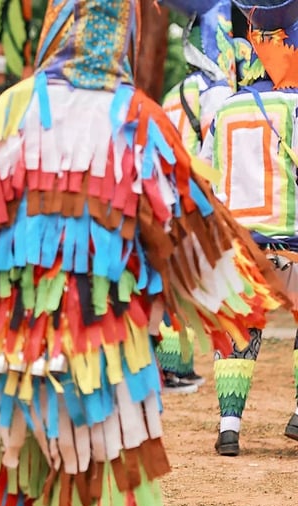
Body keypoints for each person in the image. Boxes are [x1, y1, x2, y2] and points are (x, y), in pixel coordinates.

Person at [0, 0, 288, 506]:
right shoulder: (140, 121)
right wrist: (239, 299)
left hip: (11, 370)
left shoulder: (3, 116)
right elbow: (190, 241)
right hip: (105, 370)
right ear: (123, 35)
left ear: (53, 31)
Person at [200, 0, 298, 456]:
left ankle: (229, 427)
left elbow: (204, 175)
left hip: (241, 249)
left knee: (237, 330)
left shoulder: (225, 111)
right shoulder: (294, 105)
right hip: (292, 249)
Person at [156, 1, 241, 394]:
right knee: (187, 282)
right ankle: (174, 367)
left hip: (164, 192)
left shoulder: (175, 92)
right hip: (193, 193)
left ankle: (173, 366)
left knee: (171, 280)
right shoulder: (217, 91)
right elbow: (217, 143)